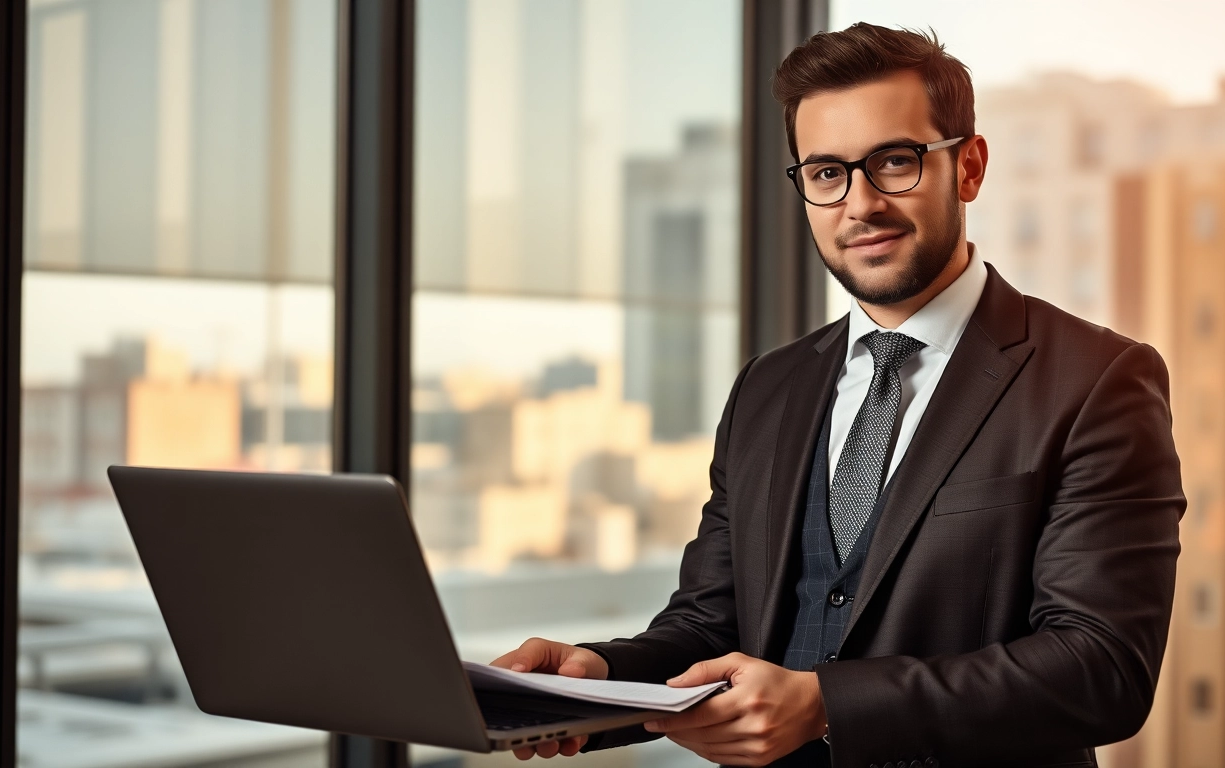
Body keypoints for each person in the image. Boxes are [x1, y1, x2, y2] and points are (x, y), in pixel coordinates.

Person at [491, 22, 1183, 768]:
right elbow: (713, 622)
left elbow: (1103, 668)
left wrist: (828, 706)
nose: (860, 204)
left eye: (895, 162)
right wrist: (602, 680)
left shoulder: (1097, 379)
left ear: (970, 168)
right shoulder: (768, 386)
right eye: (826, 173)